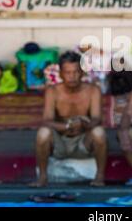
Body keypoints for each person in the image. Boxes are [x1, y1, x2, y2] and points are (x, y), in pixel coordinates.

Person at [30, 51, 107, 187]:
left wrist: (84, 124)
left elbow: (97, 119)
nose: (72, 77)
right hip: (60, 142)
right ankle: (42, 177)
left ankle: (99, 176)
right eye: (68, 72)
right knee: (43, 133)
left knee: (99, 132)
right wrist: (67, 127)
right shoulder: (52, 91)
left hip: (83, 142)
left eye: (76, 72)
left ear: (82, 73)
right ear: (60, 74)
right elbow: (46, 120)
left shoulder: (93, 90)